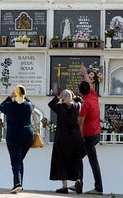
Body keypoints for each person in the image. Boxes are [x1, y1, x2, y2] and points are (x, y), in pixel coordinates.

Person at [0, 84, 34, 194]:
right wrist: (24, 95)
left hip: (14, 137)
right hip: (27, 137)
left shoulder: (10, 106)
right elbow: (32, 104)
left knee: (16, 161)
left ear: (15, 93)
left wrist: (10, 96)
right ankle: (19, 184)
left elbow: (1, 106)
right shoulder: (28, 105)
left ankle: (17, 184)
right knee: (19, 161)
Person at [74, 64, 103, 195]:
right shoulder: (94, 96)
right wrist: (85, 72)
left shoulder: (85, 104)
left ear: (80, 92)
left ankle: (97, 187)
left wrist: (78, 137)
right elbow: (88, 84)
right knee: (78, 157)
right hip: (96, 134)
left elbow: (80, 123)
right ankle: (78, 183)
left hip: (88, 137)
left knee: (91, 161)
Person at [48, 89, 83, 194]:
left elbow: (50, 104)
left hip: (62, 137)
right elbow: (81, 100)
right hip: (75, 137)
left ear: (63, 97)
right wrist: (74, 96)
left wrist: (58, 97)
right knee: (75, 159)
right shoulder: (77, 106)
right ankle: (78, 181)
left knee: (62, 160)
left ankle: (64, 186)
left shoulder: (59, 107)